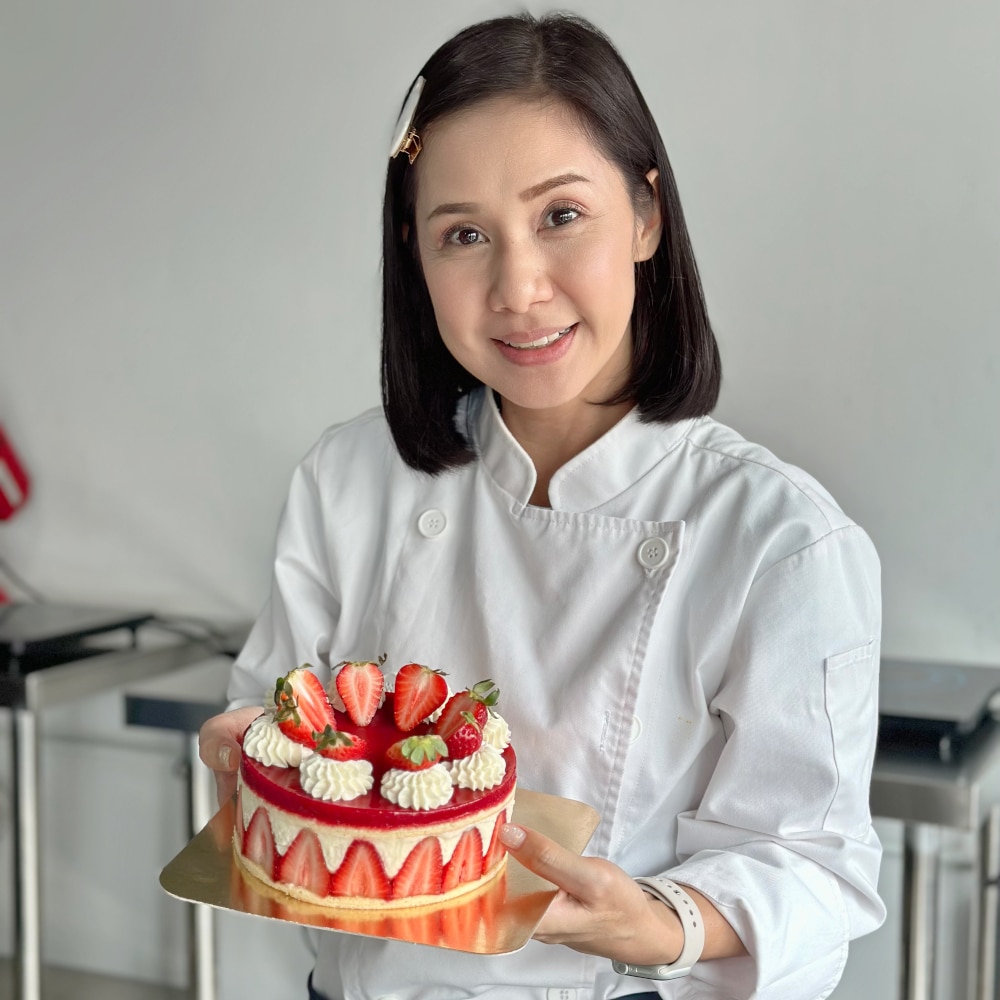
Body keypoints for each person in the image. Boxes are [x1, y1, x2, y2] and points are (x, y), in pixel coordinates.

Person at [199, 12, 885, 999]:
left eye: (561, 216)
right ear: (415, 253)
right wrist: (244, 746)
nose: (517, 287)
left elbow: (812, 865)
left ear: (645, 216)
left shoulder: (778, 539)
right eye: (464, 234)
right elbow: (277, 714)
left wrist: (653, 922)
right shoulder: (349, 477)